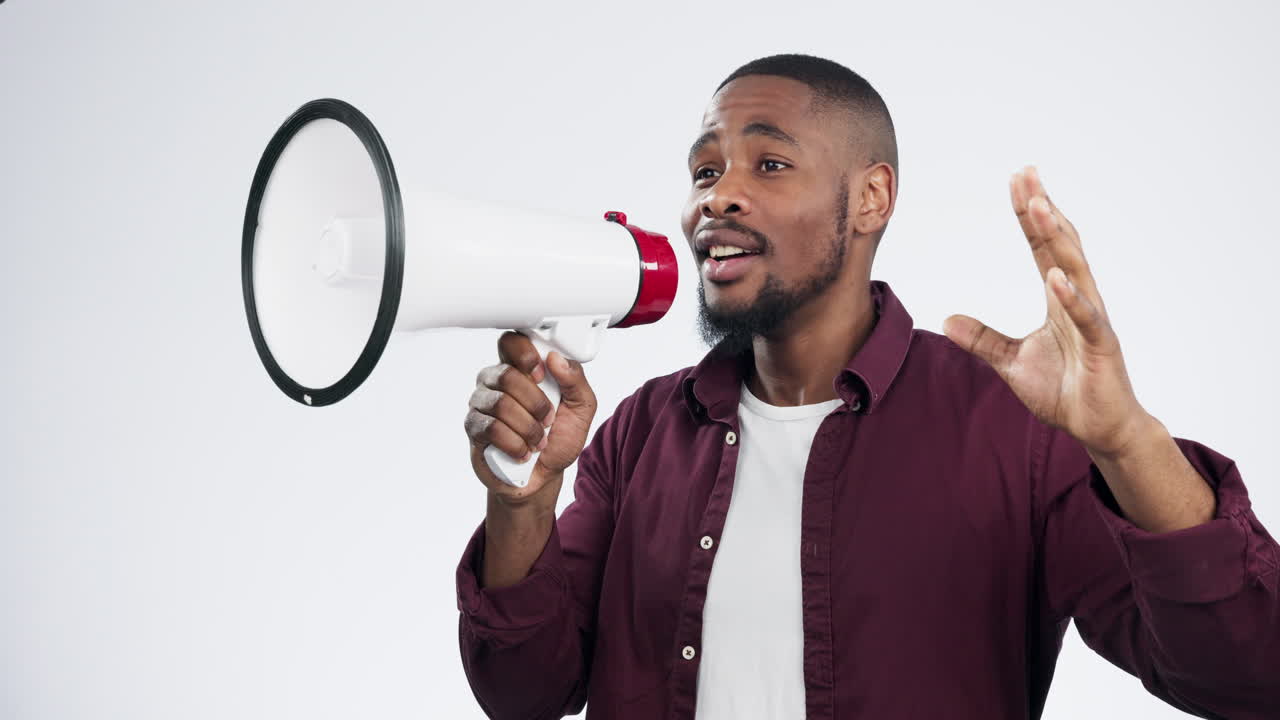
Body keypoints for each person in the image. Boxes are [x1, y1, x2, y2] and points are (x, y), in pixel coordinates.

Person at [456, 54, 1280, 719]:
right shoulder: (641, 433)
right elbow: (523, 694)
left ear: (872, 198)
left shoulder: (1012, 431)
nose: (719, 195)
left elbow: (1245, 676)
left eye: (769, 163)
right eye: (704, 171)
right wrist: (522, 502)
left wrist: (1126, 440)